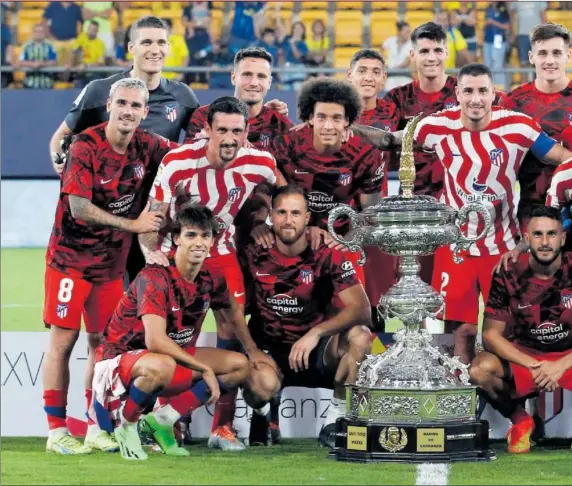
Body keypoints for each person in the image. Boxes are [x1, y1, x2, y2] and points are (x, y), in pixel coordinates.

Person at [139, 96, 285, 450]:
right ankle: (167, 423)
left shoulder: (260, 162)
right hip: (178, 256)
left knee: (230, 330)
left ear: (247, 132)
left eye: (237, 130)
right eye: (222, 130)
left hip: (222, 254)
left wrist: (260, 221)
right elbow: (154, 213)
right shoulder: (178, 162)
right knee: (175, 333)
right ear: (207, 130)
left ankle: (222, 428)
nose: (230, 138)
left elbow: (282, 194)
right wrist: (150, 252)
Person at [42, 77, 177, 455]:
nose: (128, 111)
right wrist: (134, 225)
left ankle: (93, 427)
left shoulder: (148, 145)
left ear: (145, 113)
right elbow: (78, 208)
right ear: (109, 106)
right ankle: (55, 431)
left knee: (103, 346)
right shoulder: (86, 145)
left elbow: (185, 155)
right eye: (122, 103)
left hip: (111, 267)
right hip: (69, 261)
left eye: (136, 106)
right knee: (63, 341)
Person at [413, 62, 572, 365]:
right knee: (460, 329)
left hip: (501, 246)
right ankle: (459, 398)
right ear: (457, 93)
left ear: (494, 94)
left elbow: (562, 157)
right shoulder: (433, 126)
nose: (475, 99)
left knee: (510, 328)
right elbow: (393, 141)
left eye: (483, 91)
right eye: (469, 91)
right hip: (455, 245)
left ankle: (509, 398)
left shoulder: (517, 126)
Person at [93, 205, 281, 460]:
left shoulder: (211, 278)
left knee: (239, 365)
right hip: (118, 364)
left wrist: (253, 351)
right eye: (191, 235)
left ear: (213, 241)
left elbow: (233, 313)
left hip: (168, 361)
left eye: (205, 236)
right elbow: (155, 340)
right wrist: (203, 369)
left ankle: (162, 420)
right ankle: (127, 426)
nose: (199, 243)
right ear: (177, 238)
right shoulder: (155, 277)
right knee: (163, 364)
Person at [244, 185, 372, 448]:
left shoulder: (327, 252)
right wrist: (252, 350)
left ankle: (336, 418)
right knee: (259, 385)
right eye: (281, 212)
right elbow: (231, 309)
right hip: (271, 350)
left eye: (295, 213)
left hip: (316, 351)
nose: (288, 220)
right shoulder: (253, 253)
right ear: (271, 215)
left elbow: (362, 309)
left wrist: (316, 334)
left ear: (307, 218)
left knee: (361, 338)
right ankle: (264, 414)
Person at [255, 77, 387, 276]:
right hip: (294, 237)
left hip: (341, 241)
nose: (328, 126)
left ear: (347, 121)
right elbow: (259, 184)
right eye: (321, 117)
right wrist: (259, 223)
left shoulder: (366, 155)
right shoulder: (284, 147)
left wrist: (348, 238)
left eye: (336, 118)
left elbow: (371, 213)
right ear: (310, 118)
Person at [470, 206, 572, 454]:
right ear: (526, 239)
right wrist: (535, 365)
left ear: (563, 238)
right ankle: (521, 420)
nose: (545, 242)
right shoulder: (508, 272)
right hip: (527, 355)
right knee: (480, 370)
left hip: (568, 356)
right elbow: (491, 335)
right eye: (538, 235)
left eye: (552, 234)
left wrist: (561, 365)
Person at [499, 23, 572, 233]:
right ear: (531, 57)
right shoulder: (512, 103)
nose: (550, 60)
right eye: (543, 53)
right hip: (530, 217)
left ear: (568, 55)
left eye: (556, 53)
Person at [346, 48, 400, 330]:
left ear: (384, 78)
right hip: (341, 214)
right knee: (346, 293)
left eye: (376, 72)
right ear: (349, 76)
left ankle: (375, 362)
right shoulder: (334, 111)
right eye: (362, 71)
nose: (369, 77)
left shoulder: (392, 110)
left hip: (378, 213)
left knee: (378, 296)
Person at [185, 47, 292, 148]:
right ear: (233, 77)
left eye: (261, 76)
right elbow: (186, 160)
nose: (254, 82)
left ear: (269, 82)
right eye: (247, 74)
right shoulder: (204, 116)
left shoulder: (278, 123)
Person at [483, 1, 511, 90]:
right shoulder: (488, 8)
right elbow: (485, 24)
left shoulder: (504, 9)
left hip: (498, 39)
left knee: (497, 65)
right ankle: (488, 87)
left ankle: (500, 88)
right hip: (487, 39)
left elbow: (506, 26)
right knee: (487, 64)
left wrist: (493, 22)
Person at [382, 21, 412, 92]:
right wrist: (384, 64)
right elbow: (381, 53)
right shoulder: (390, 41)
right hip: (391, 77)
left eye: (409, 31)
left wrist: (392, 69)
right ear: (399, 32)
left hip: (404, 77)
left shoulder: (412, 44)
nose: (408, 34)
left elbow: (407, 62)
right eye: (406, 31)